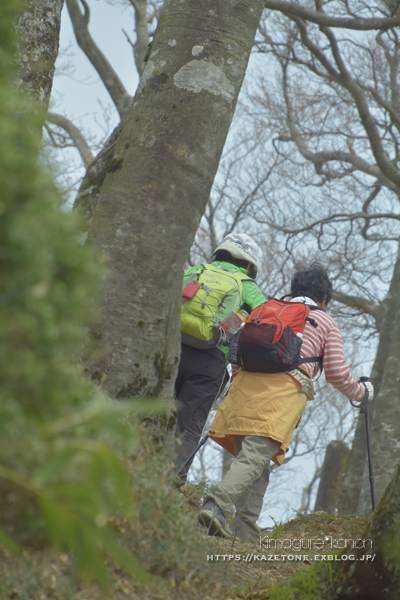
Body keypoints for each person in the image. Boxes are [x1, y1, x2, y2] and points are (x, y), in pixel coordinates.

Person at [198, 262, 374, 541]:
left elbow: (232, 342)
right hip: (281, 394)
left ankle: (245, 537)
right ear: (324, 298)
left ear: (294, 290)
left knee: (258, 465)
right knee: (255, 457)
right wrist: (362, 392)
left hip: (244, 389)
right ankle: (215, 504)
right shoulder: (325, 321)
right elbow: (338, 374)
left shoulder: (263, 308)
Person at [174, 234, 267, 485]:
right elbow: (265, 324)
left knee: (156, 410)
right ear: (249, 264)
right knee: (189, 426)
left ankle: (137, 468)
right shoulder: (247, 286)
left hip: (173, 348)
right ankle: (169, 486)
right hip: (211, 361)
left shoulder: (196, 270)